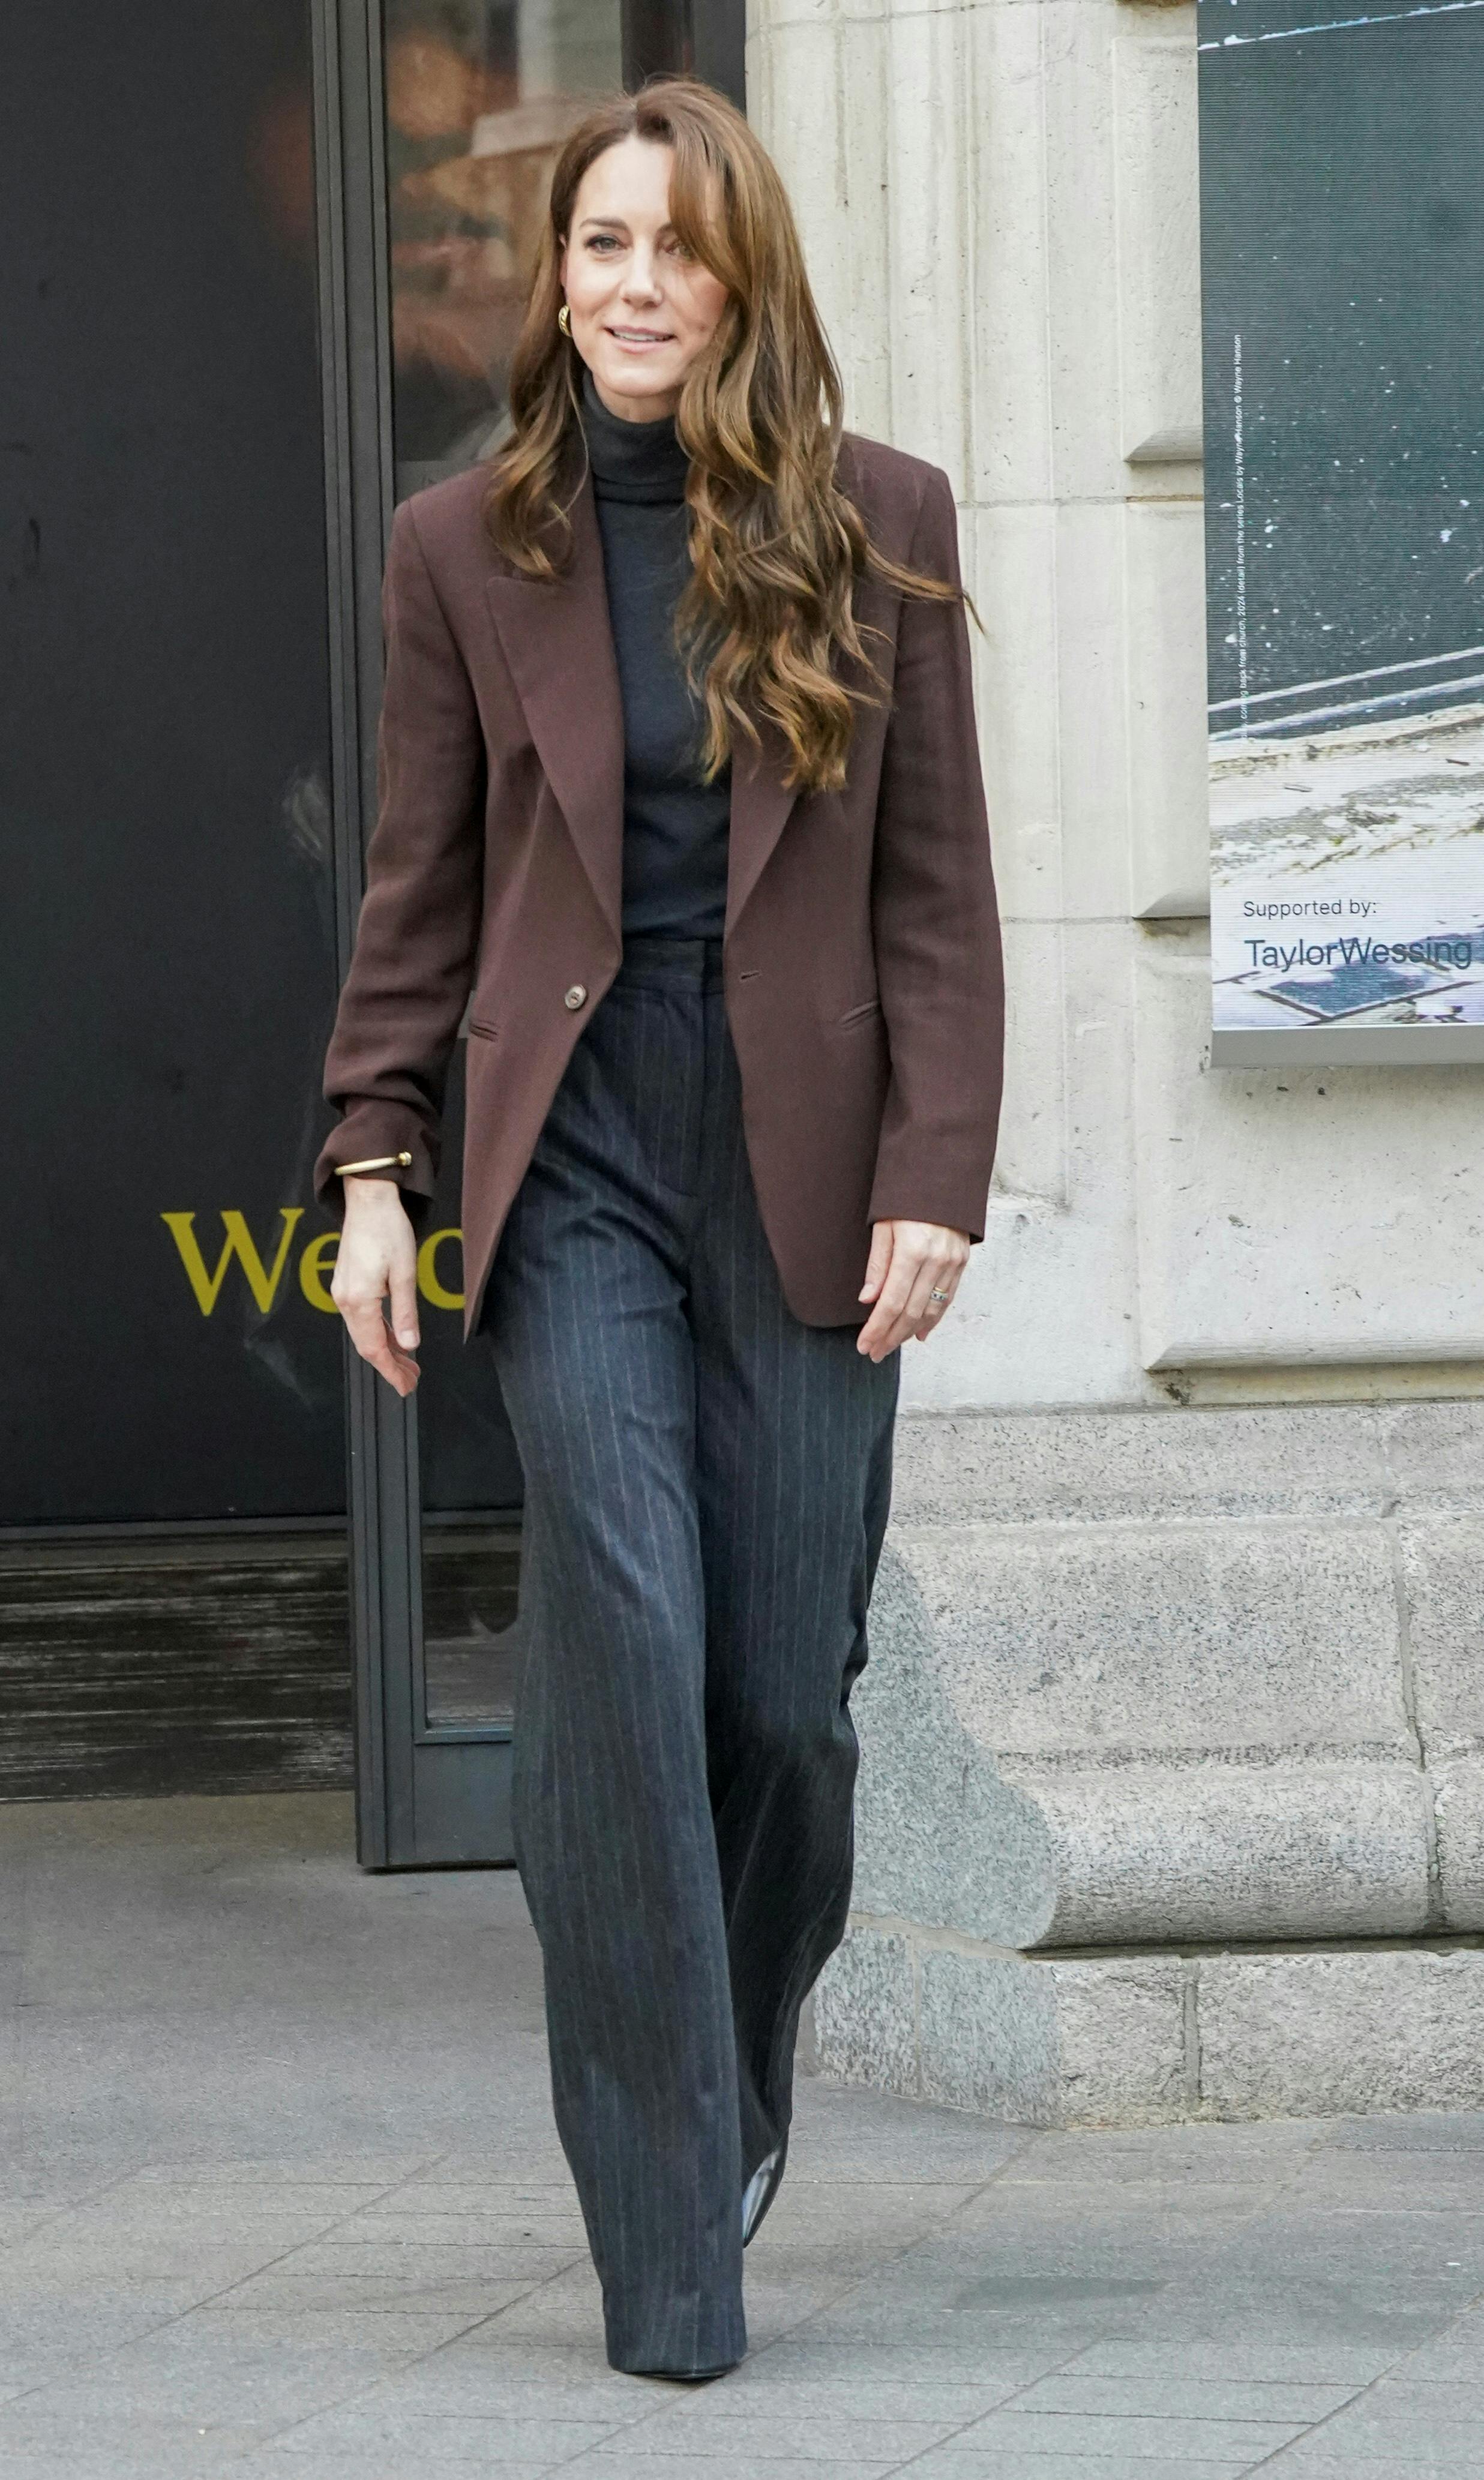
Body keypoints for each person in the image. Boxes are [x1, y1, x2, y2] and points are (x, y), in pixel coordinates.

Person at [317, 77, 1003, 2380]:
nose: (629, 286)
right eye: (597, 247)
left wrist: (934, 1178)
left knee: (779, 1701)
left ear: (743, 282)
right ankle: (663, 2237)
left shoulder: (881, 529)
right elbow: (418, 895)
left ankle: (730, 2080)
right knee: (618, 1648)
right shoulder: (460, 547)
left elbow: (940, 903)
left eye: (672, 251)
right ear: (561, 279)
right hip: (577, 1148)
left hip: (801, 1150)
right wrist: (372, 1174)